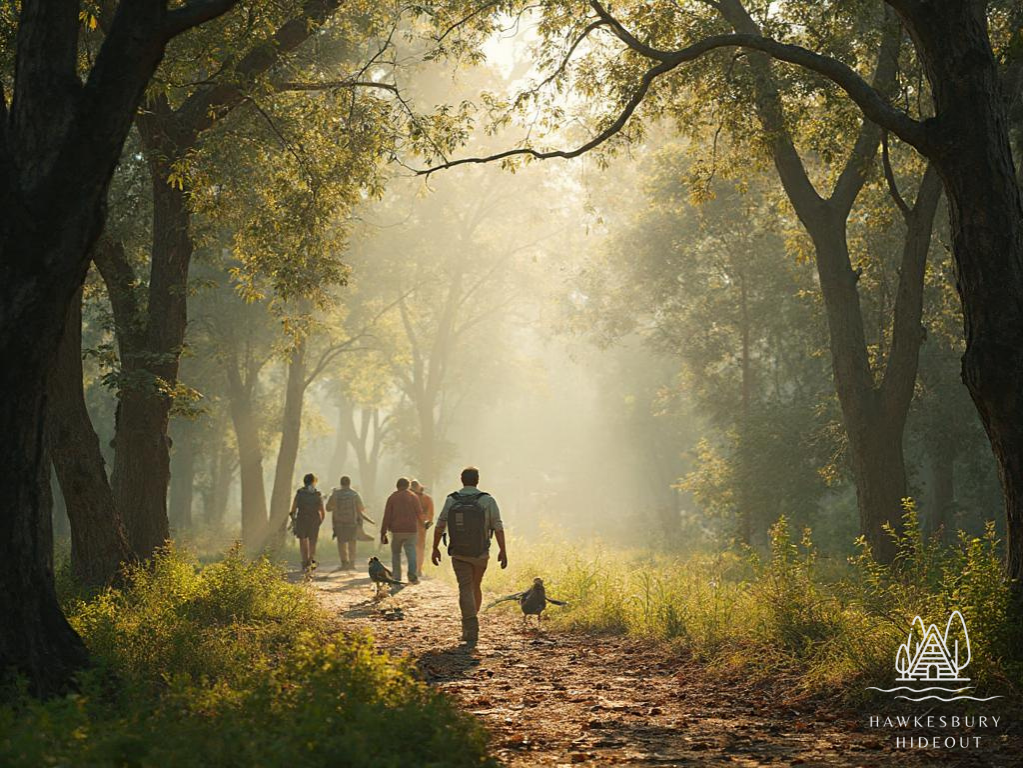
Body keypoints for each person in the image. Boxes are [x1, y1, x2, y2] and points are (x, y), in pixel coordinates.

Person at [431, 466, 507, 644]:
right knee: (476, 585)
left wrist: (435, 548)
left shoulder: (451, 500)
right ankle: (472, 621)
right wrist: (503, 550)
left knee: (465, 587)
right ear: (477, 480)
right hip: (481, 553)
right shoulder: (488, 500)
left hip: (459, 552)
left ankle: (469, 626)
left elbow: (440, 525)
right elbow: (498, 526)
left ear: (461, 479)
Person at [326, 476, 374, 571]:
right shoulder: (354, 494)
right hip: (352, 522)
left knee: (341, 543)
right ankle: (352, 564)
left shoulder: (335, 494)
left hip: (339, 523)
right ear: (349, 483)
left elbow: (328, 508)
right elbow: (361, 509)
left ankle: (344, 563)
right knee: (352, 543)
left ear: (341, 483)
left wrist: (336, 509)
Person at [381, 477, 422, 584]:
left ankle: (396, 577)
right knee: (411, 552)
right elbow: (419, 514)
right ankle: (412, 576)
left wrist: (383, 532)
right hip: (411, 530)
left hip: (397, 530)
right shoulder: (413, 497)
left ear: (397, 486)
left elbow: (387, 516)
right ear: (408, 486)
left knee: (396, 553)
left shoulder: (392, 498)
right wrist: (424, 524)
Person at [290, 473, 325, 572]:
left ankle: (304, 561)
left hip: (302, 519)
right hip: (314, 519)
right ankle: (311, 560)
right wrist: (320, 521)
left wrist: (293, 520)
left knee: (303, 540)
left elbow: (293, 509)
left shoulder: (299, 493)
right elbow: (322, 510)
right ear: (313, 482)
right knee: (312, 541)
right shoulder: (317, 494)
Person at [410, 479, 435, 578]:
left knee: (410, 548)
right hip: (420, 526)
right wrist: (427, 522)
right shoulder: (427, 499)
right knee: (420, 548)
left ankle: (412, 569)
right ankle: (418, 569)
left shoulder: (407, 498)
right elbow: (430, 514)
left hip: (408, 526)